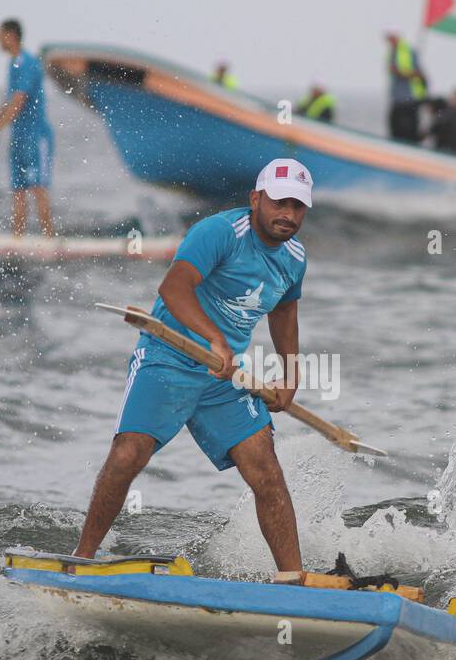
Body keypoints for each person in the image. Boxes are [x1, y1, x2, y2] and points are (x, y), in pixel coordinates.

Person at [73, 159, 316, 584]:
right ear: (256, 198)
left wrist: (290, 375)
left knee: (267, 471)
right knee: (130, 452)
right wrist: (214, 339)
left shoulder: (294, 258)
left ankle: (293, 582)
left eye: (298, 207)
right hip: (168, 356)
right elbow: (174, 287)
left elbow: (284, 309)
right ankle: (82, 558)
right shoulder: (220, 232)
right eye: (280, 203)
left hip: (224, 378)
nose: (288, 215)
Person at [0, 18, 54, 236]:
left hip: (36, 137)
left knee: (38, 188)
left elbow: (19, 102)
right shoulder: (13, 64)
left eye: (0, 34)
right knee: (19, 190)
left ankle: (49, 239)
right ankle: (18, 239)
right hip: (19, 138)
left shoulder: (29, 63)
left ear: (10, 36)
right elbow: (9, 100)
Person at [385, 32, 427, 142]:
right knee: (395, 133)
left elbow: (419, 74)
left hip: (409, 101)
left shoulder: (407, 51)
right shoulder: (392, 53)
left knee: (409, 134)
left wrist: (401, 72)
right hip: (397, 100)